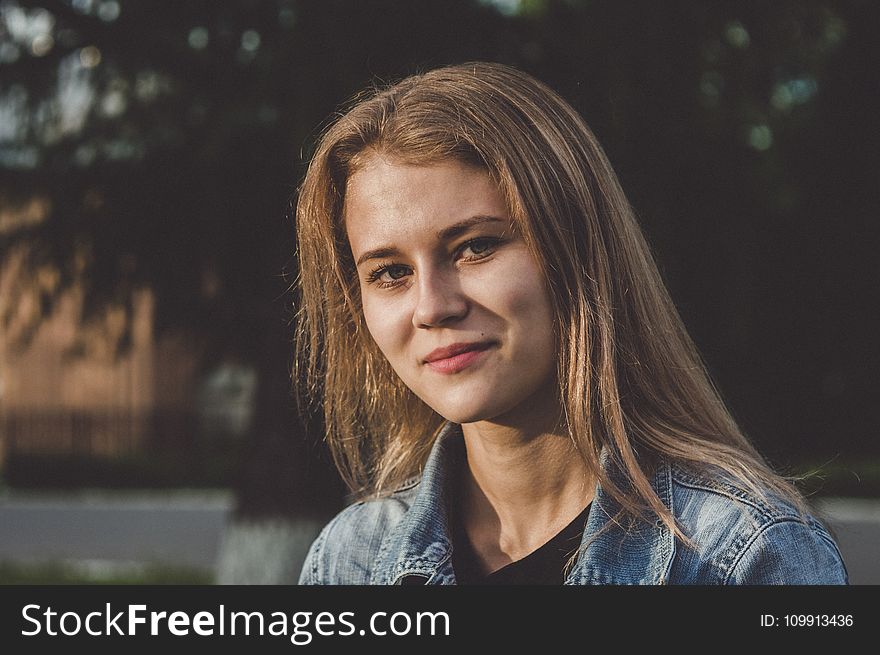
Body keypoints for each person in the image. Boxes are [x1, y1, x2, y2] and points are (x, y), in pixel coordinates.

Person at [293, 62, 847, 585]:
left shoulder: (743, 555)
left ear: (577, 249)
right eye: (389, 273)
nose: (431, 307)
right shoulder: (351, 561)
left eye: (475, 247)